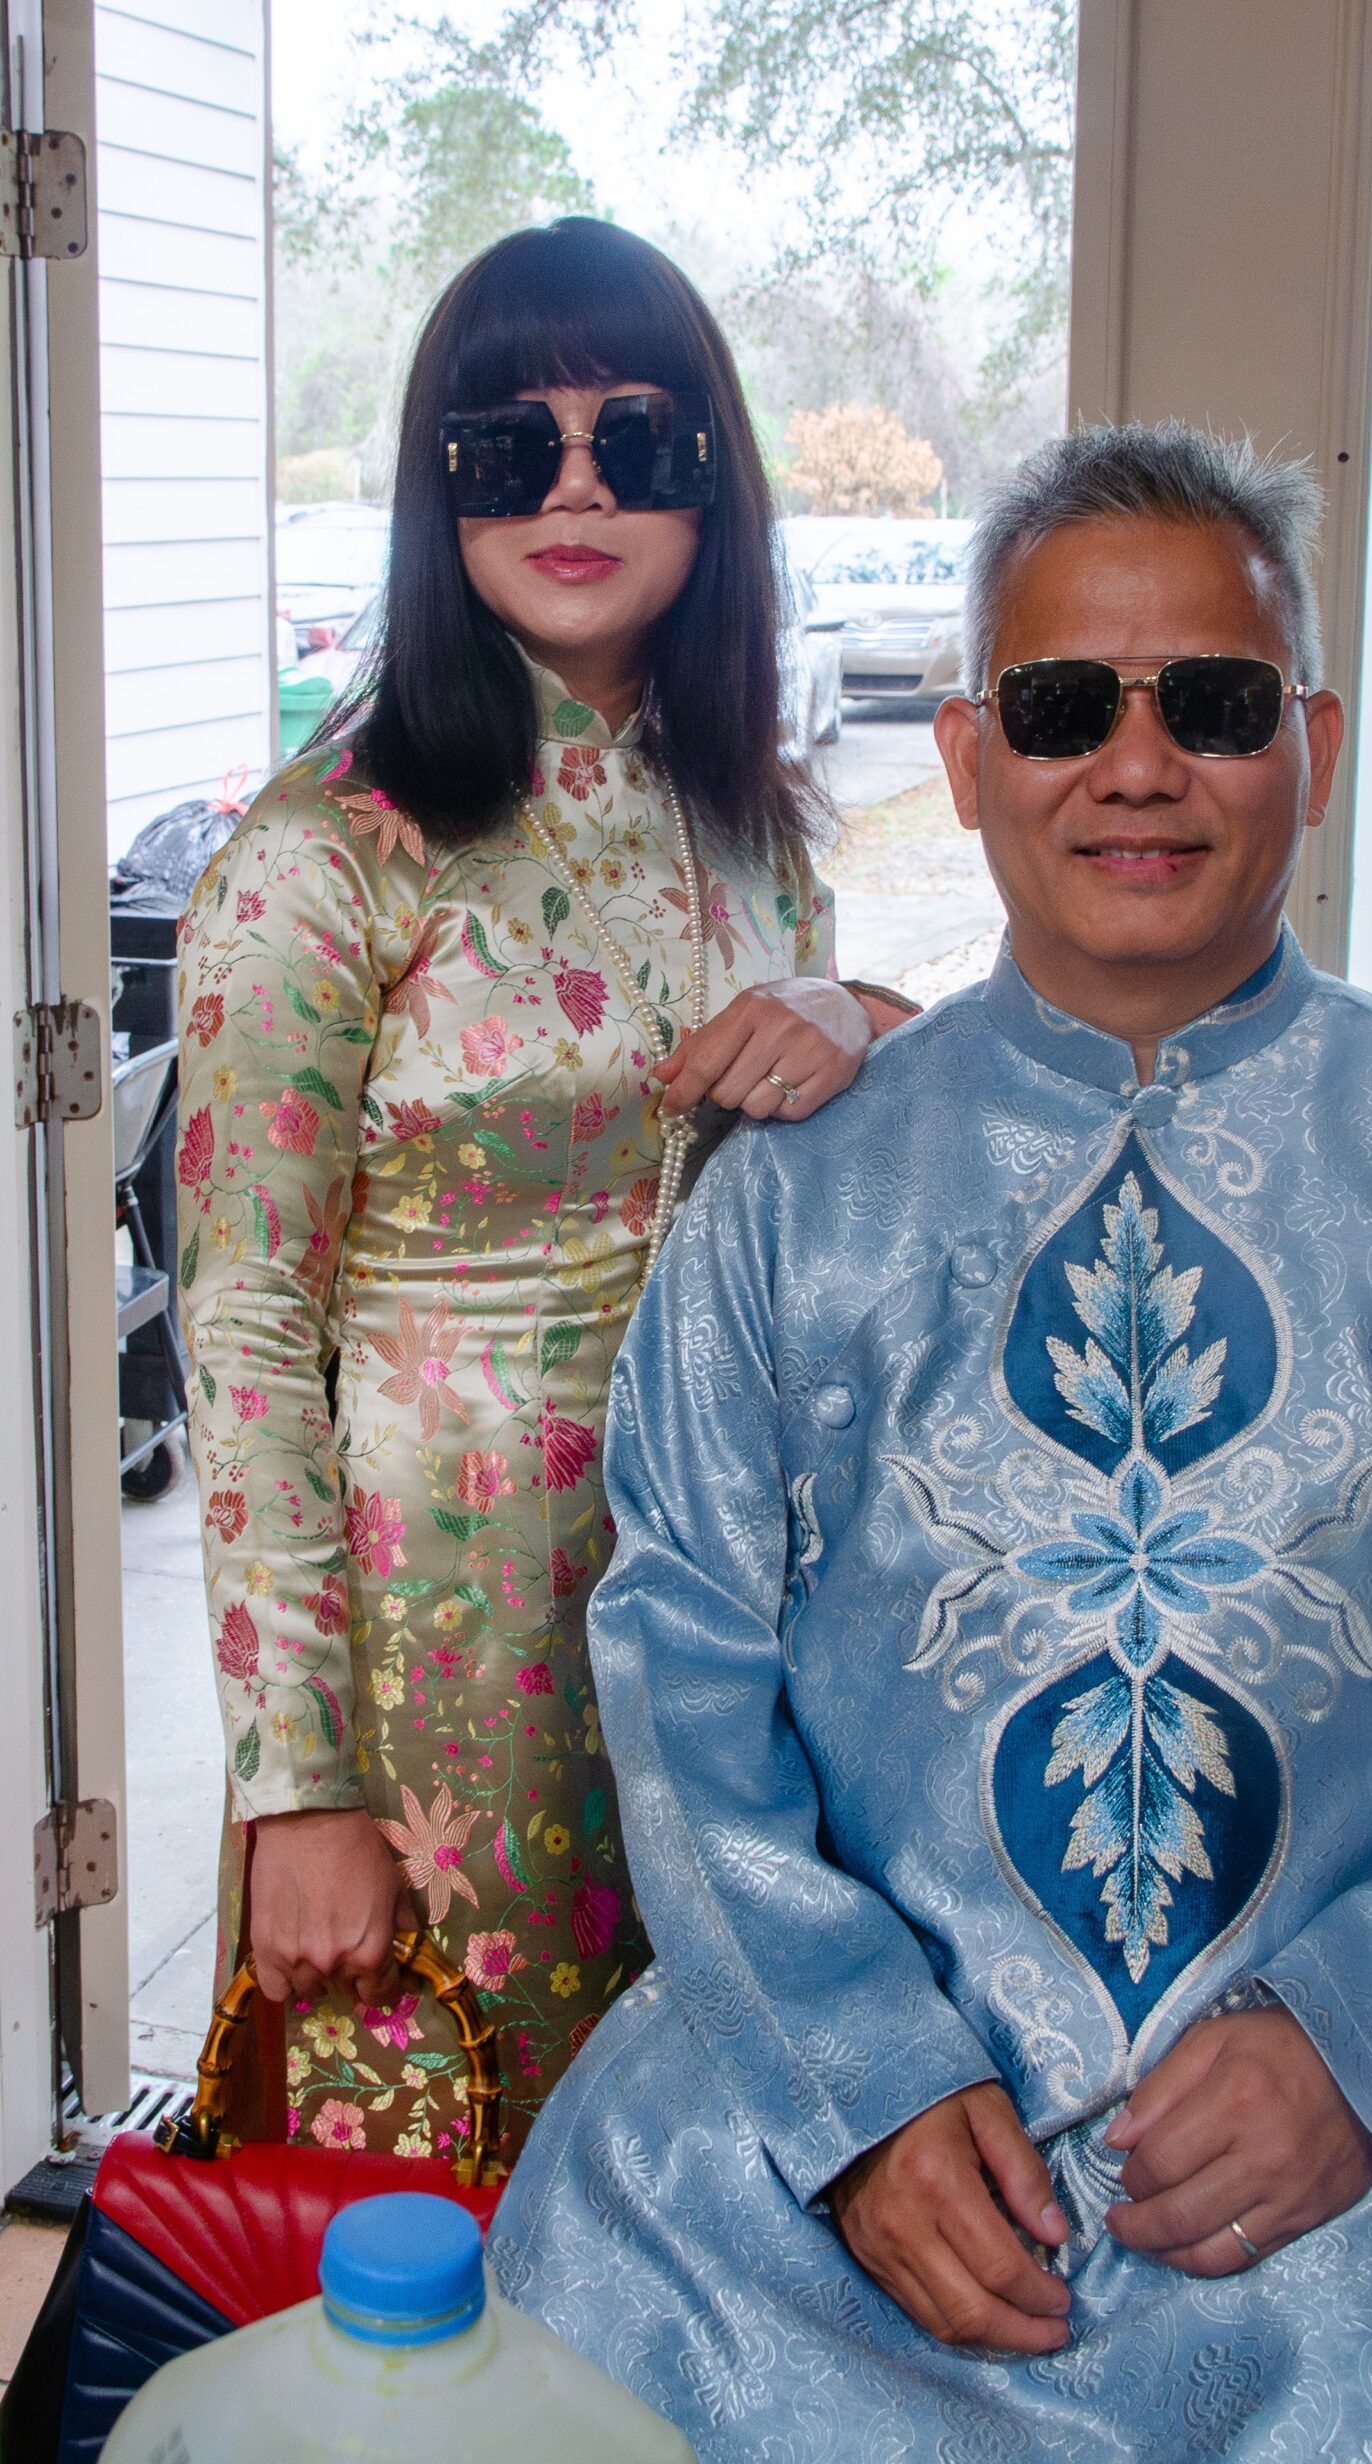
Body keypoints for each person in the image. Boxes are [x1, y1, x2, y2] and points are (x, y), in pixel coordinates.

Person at [490, 420, 1372, 2456]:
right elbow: (678, 1658)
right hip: (826, 2156)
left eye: (1210, 704)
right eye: (1064, 708)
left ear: (1309, 743)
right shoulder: (795, 1197)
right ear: (969, 759)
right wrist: (860, 2089)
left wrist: (1369, 2039)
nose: (1136, 768)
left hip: (1345, 2158)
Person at [176, 216, 909, 2159]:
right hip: (435, 1659)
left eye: (635, 438)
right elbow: (241, 1324)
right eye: (510, 445)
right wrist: (298, 1782)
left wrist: (861, 1014)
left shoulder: (752, 829)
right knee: (432, 2206)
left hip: (718, 1627)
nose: (575, 487)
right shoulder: (326, 851)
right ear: (440, 494)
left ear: (714, 484)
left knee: (693, 2188)